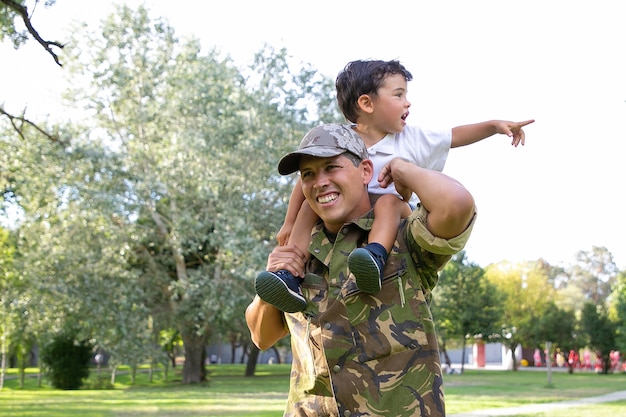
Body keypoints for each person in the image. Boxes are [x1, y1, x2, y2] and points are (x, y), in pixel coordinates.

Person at [255, 59, 533, 312]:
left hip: (395, 212)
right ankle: (289, 275)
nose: (407, 103)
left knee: (386, 202)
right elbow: (306, 182)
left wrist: (494, 126)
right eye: (399, 95)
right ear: (367, 103)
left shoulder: (410, 139)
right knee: (308, 209)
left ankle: (374, 256)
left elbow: (455, 135)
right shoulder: (341, 141)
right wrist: (289, 223)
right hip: (350, 217)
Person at [245, 123, 477, 416]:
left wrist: (402, 170)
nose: (320, 182)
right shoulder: (299, 251)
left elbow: (457, 204)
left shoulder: (402, 236)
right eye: (308, 174)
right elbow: (262, 337)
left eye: (332, 168)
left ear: (366, 171)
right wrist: (269, 291)